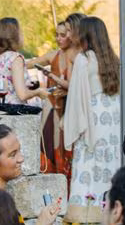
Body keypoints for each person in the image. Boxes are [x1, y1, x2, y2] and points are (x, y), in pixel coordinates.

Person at [64, 16, 121, 223]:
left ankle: (85, 209)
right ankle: (112, 206)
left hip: (93, 113)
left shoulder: (84, 59)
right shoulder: (113, 59)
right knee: (110, 157)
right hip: (112, 114)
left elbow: (76, 94)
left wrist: (71, 121)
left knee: (88, 158)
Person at [28, 13, 84, 179]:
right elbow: (29, 63)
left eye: (63, 34)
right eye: (57, 34)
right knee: (49, 144)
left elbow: (77, 85)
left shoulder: (79, 55)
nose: (59, 38)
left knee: (70, 145)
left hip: (71, 105)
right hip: (53, 103)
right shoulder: (54, 55)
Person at [0, 17, 51, 108]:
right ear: (14, 36)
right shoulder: (15, 58)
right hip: (15, 110)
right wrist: (38, 92)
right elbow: (22, 95)